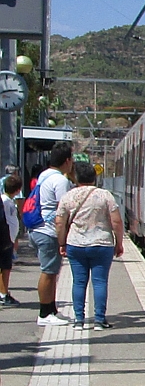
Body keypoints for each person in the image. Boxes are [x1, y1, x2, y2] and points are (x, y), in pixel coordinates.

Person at [55, 161, 124, 330]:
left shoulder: (68, 196)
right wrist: (119, 243)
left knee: (79, 282)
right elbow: (116, 221)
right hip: (102, 244)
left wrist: (61, 242)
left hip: (75, 244)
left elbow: (59, 222)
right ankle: (99, 320)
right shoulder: (105, 195)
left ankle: (79, 320)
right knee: (99, 282)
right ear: (94, 177)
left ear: (76, 178)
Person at [29, 141, 74, 326]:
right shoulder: (60, 180)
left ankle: (51, 309)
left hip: (38, 228)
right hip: (48, 231)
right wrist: (64, 239)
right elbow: (64, 209)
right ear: (67, 160)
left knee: (51, 271)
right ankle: (44, 313)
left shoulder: (44, 175)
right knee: (48, 272)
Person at [0, 175, 21, 306]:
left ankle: (3, 292)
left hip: (9, 237)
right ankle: (3, 293)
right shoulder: (4, 201)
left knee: (6, 266)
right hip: (5, 238)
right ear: (18, 190)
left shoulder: (9, 200)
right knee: (5, 267)